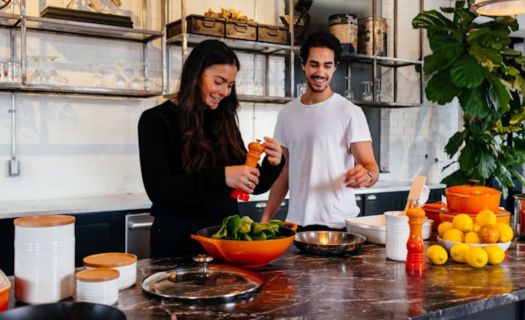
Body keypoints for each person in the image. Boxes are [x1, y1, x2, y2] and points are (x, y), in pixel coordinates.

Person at [138, 39, 285, 257]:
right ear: (196, 75)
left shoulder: (224, 119)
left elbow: (251, 185)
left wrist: (273, 163)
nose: (225, 92)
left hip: (224, 238)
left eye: (230, 85)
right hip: (176, 241)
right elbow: (159, 190)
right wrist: (222, 176)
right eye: (219, 82)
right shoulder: (156, 120)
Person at [260, 31, 379, 231]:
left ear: (335, 68)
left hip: (339, 223)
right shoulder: (287, 113)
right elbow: (284, 172)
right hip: (297, 223)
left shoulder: (350, 112)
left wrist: (367, 176)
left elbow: (371, 167)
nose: (320, 72)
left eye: (327, 65)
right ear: (303, 65)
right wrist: (265, 219)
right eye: (314, 64)